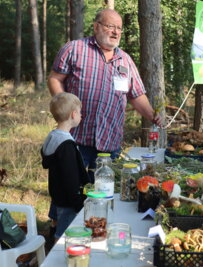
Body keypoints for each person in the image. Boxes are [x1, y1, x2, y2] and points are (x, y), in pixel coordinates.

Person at [47, 9, 161, 182]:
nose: (116, 32)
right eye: (110, 26)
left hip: (109, 145)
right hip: (74, 139)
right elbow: (55, 79)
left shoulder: (126, 61)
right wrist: (65, 108)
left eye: (119, 28)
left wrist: (153, 116)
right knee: (68, 196)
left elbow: (137, 95)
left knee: (104, 194)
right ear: (96, 27)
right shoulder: (75, 49)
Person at [41, 93, 89, 241]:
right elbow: (70, 177)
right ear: (73, 115)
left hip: (58, 196)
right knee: (64, 236)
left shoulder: (53, 136)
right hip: (68, 200)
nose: (81, 115)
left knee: (60, 229)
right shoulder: (66, 144)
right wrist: (77, 202)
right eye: (80, 112)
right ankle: (57, 260)